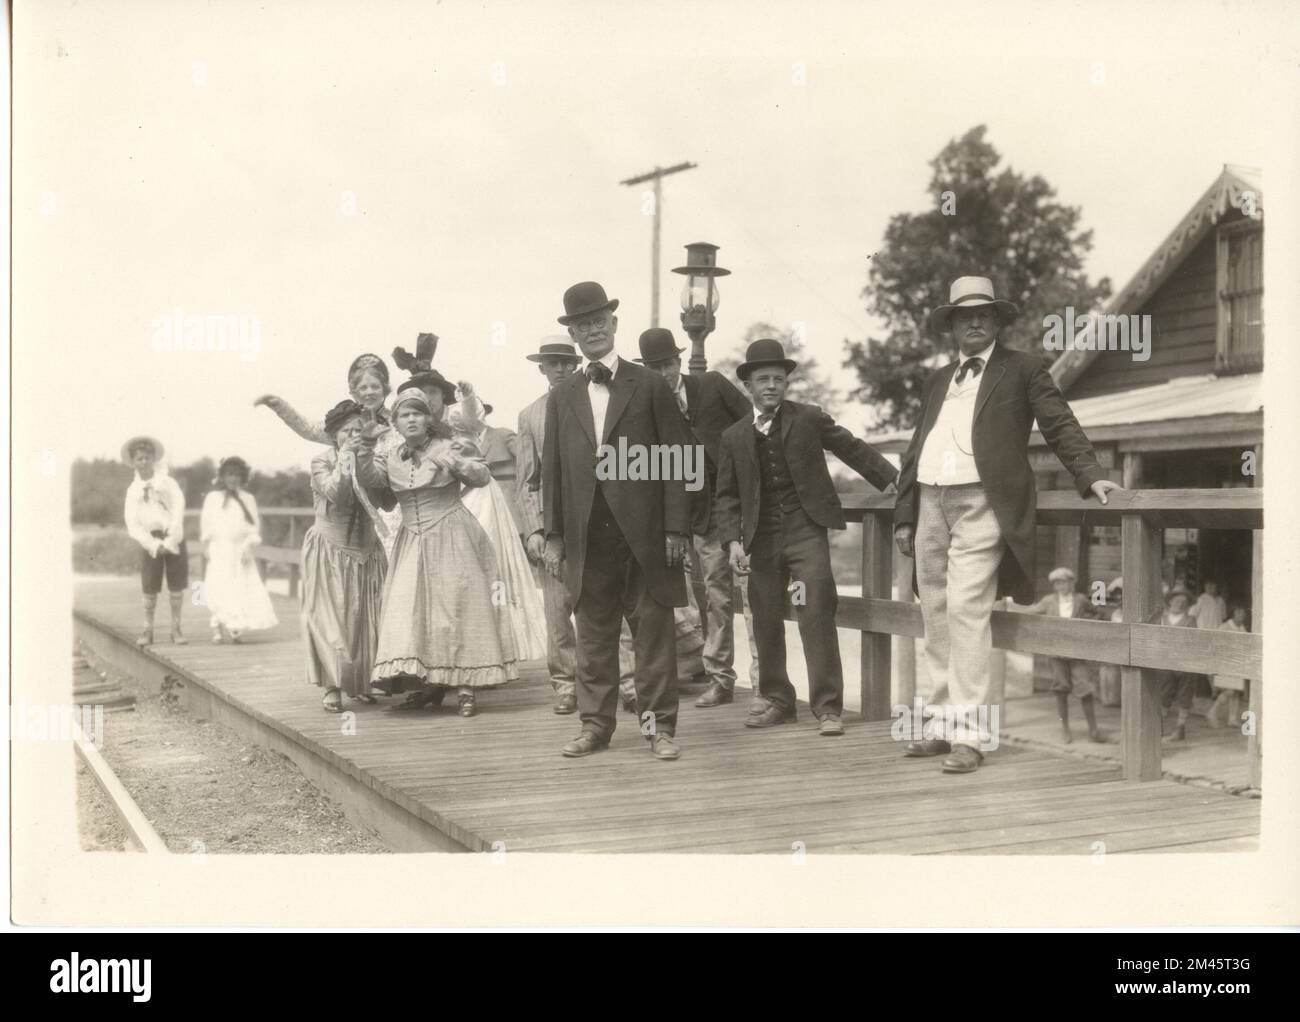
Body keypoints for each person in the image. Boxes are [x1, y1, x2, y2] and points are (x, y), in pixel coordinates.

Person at [894, 276, 1121, 774]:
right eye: (963, 315)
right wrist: (904, 513)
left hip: (983, 502)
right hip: (930, 500)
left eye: (983, 314)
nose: (974, 321)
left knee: (965, 609)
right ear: (951, 324)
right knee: (933, 609)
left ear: (996, 320)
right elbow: (915, 451)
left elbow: (1059, 422)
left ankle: (971, 736)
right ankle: (937, 723)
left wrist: (1091, 477)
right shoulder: (937, 381)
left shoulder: (1023, 369)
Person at [715, 337, 898, 736]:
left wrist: (895, 480)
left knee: (815, 611)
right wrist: (732, 541)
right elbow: (726, 495)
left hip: (805, 532)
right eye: (762, 379)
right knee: (764, 618)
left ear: (786, 383)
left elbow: (852, 448)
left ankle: (828, 707)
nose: (770, 386)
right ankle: (779, 700)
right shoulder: (733, 437)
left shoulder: (809, 418)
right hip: (760, 539)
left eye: (778, 379)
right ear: (748, 385)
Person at [542, 281, 692, 761]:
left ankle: (659, 729)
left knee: (653, 635)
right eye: (581, 325)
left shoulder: (647, 384)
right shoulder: (562, 395)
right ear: (573, 333)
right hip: (589, 536)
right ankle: (595, 728)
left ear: (613, 324)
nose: (591, 331)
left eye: (598, 322)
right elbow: (554, 473)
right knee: (593, 635)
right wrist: (554, 535)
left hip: (647, 535)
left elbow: (678, 459)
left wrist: (675, 528)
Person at [356, 387, 519, 717]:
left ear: (429, 419)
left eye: (418, 413)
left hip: (452, 533)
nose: (412, 418)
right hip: (412, 540)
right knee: (410, 610)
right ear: (396, 424)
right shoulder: (389, 456)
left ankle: (465, 686)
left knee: (457, 608)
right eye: (405, 414)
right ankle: (427, 684)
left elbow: (482, 476)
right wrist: (366, 446)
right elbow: (378, 490)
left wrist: (458, 463)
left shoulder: (450, 445)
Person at [634, 326, 760, 710]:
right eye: (654, 368)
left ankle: (764, 683)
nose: (664, 374)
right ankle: (721, 679)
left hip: (739, 508)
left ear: (679, 361)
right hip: (699, 518)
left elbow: (754, 426)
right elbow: (655, 470)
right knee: (717, 598)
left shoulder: (713, 385)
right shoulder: (648, 409)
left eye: (668, 364)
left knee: (755, 596)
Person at [301, 400, 394, 712]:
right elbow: (336, 495)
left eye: (358, 429)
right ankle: (332, 686)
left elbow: (382, 496)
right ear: (333, 435)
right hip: (330, 548)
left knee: (367, 617)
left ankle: (361, 682)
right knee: (333, 618)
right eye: (346, 431)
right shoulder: (320, 462)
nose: (353, 435)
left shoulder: (373, 456)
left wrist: (364, 451)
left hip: (367, 549)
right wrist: (346, 457)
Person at [517, 336, 583, 714]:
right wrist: (534, 531)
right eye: (552, 362)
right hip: (553, 526)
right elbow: (528, 480)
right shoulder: (531, 415)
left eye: (566, 362)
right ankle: (564, 684)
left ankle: (617, 681)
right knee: (558, 611)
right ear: (541, 367)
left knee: (604, 609)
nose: (560, 369)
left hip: (594, 526)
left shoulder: (592, 403)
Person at [200, 456, 279, 643]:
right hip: (219, 548)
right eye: (229, 474)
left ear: (242, 477)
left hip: (239, 550)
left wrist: (248, 547)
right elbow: (207, 524)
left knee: (239, 587)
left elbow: (253, 527)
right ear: (222, 477)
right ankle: (217, 627)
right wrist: (206, 545)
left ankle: (235, 627)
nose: (233, 478)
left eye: (236, 475)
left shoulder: (248, 499)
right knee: (218, 585)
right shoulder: (213, 498)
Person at [1024, 567, 1105, 743]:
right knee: (1061, 689)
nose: (1061, 586)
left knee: (1085, 688)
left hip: (1077, 652)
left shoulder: (1081, 600)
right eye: (1057, 583)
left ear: (1072, 583)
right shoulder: (1048, 601)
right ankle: (1065, 729)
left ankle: (1094, 730)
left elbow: (1098, 613)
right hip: (1057, 652)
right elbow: (1030, 613)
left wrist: (1085, 628)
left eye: (1064, 582)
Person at [121, 435, 189, 647]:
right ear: (133, 462)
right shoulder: (133, 491)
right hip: (150, 541)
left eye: (147, 458)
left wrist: (171, 539)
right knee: (149, 585)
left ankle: (176, 628)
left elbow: (178, 509)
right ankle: (147, 629)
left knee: (176, 584)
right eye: (139, 459)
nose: (144, 462)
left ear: (154, 459)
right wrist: (153, 544)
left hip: (173, 535)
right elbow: (132, 523)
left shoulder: (168, 483)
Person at [1159, 586, 1198, 742]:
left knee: (1184, 697)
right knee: (1163, 696)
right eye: (1176, 600)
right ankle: (1158, 727)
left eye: (1184, 602)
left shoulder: (1191, 620)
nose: (1180, 604)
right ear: (1169, 602)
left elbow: (1194, 641)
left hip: (1185, 665)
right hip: (1165, 663)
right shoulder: (1161, 619)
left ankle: (1180, 729)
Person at [1207, 604, 1250, 728]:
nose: (1242, 614)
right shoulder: (1225, 626)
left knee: (1236, 692)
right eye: (1239, 611)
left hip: (1237, 664)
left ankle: (1232, 719)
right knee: (1229, 691)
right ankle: (1212, 712)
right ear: (1234, 612)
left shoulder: (1242, 628)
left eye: (1243, 612)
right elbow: (1216, 644)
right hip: (1225, 663)